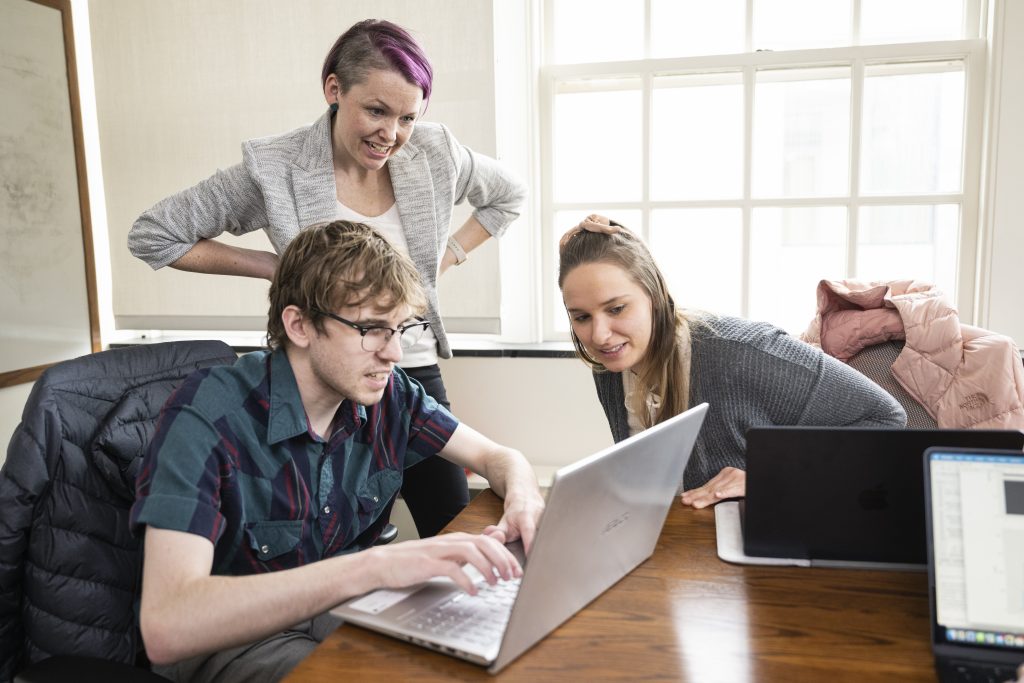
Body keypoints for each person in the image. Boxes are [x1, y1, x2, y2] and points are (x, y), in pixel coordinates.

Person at [127, 19, 526, 538]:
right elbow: (154, 235)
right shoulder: (276, 168)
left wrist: (441, 262)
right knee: (343, 535)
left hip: (409, 371)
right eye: (376, 111)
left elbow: (508, 196)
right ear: (334, 89)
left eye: (407, 117)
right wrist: (281, 269)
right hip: (323, 376)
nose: (392, 135)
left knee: (456, 525)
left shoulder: (433, 153)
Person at [130, 221, 544, 683]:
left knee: (494, 653)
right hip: (233, 640)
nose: (394, 354)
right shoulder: (206, 416)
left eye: (399, 329)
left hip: (345, 606)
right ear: (300, 325)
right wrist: (373, 566)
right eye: (371, 329)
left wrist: (525, 497)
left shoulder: (389, 395)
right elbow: (167, 625)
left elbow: (498, 458)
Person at [558, 215, 907, 509]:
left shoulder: (742, 353)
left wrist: (769, 475)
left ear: (654, 295)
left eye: (616, 308)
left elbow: (886, 419)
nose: (600, 335)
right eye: (581, 317)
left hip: (755, 552)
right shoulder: (611, 365)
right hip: (682, 548)